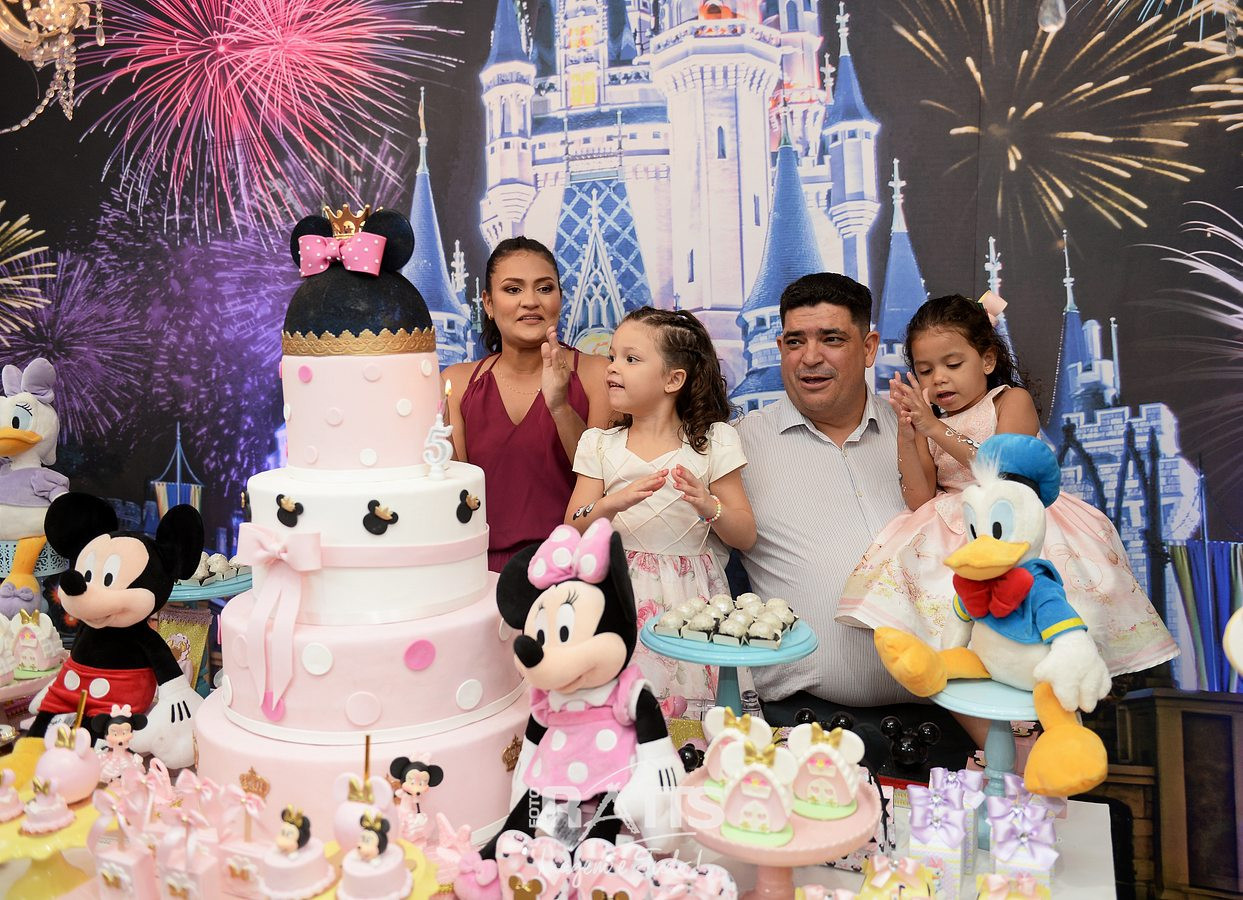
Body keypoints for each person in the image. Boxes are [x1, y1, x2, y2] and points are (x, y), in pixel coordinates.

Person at [839, 293, 1177, 677]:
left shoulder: (1010, 401)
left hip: (1017, 523)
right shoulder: (929, 424)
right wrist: (908, 433)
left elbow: (1003, 469)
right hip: (956, 528)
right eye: (926, 371)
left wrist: (932, 427)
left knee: (1037, 626)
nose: (940, 378)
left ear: (987, 359)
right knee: (970, 636)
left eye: (953, 364)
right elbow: (919, 498)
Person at [733, 273, 977, 765]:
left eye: (831, 339)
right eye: (795, 341)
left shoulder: (923, 431)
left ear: (868, 348)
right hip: (802, 731)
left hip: (947, 723)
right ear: (779, 347)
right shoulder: (737, 447)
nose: (810, 357)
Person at [565, 307, 756, 716]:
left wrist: (708, 505)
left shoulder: (714, 442)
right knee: (620, 715)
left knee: (695, 718)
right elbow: (572, 526)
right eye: (612, 356)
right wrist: (612, 503)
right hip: (616, 593)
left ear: (673, 380)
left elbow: (745, 534)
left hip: (693, 600)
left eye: (631, 359)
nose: (613, 367)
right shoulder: (599, 443)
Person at [445, 237, 611, 572]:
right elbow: (454, 497)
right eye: (513, 289)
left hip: (573, 567)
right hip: (479, 570)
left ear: (560, 299)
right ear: (488, 303)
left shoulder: (597, 375)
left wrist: (561, 407)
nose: (531, 301)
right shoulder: (458, 383)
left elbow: (605, 483)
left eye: (545, 288)